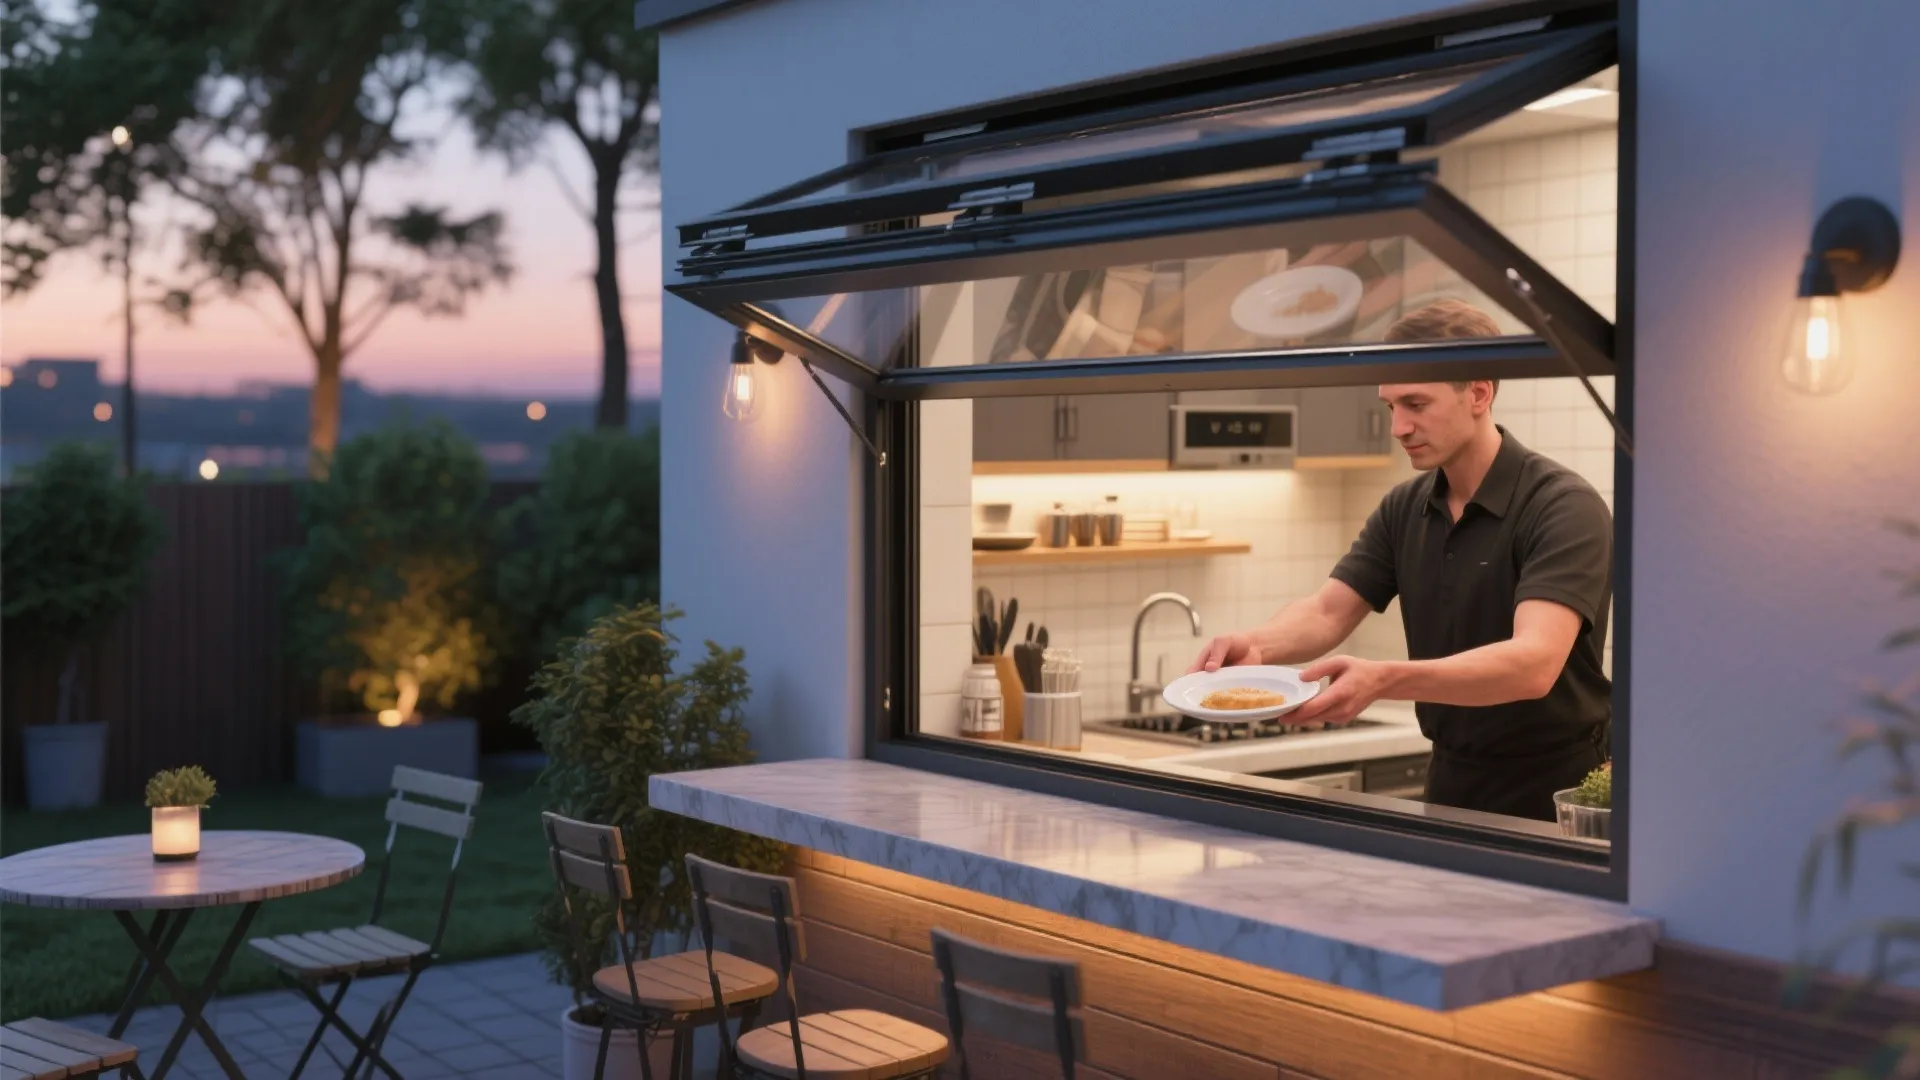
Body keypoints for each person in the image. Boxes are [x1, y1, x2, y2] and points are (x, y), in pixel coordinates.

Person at [1189, 299, 1612, 821]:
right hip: (1451, 777)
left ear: (1479, 394)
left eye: (1416, 404)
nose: (1398, 427)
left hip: (1557, 788)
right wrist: (1254, 646)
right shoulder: (1405, 508)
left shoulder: (1562, 505)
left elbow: (1533, 665)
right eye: (1391, 407)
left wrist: (1385, 678)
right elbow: (1327, 612)